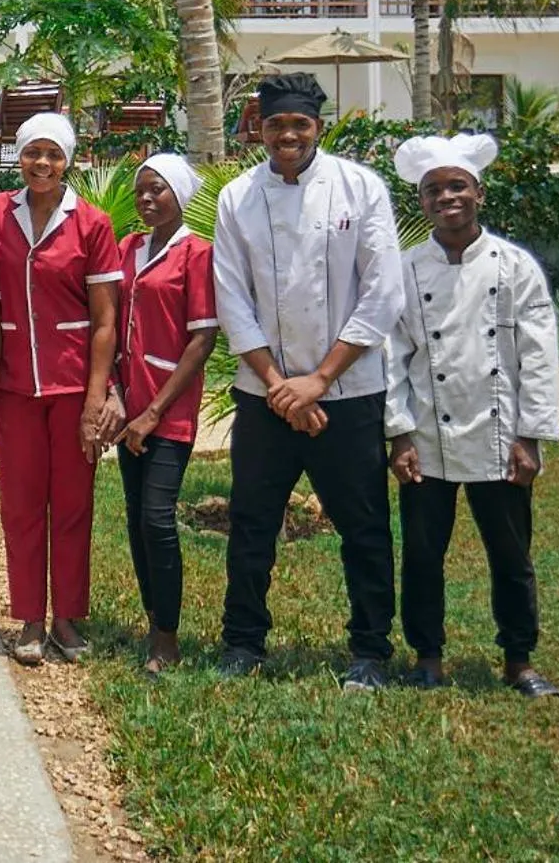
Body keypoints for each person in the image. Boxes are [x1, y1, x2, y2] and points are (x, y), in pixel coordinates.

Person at [212, 72, 404, 690]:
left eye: (299, 124)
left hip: (347, 392)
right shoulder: (237, 197)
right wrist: (279, 385)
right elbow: (232, 297)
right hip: (264, 392)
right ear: (258, 129)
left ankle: (370, 650)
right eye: (275, 125)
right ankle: (243, 641)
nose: (287, 135)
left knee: (365, 524)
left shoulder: (360, 188)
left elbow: (382, 293)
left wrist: (319, 380)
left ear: (319, 126)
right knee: (252, 522)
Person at [386, 134, 559, 698]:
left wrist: (531, 435)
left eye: (457, 186)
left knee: (511, 553)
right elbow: (391, 356)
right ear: (421, 203)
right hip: (427, 437)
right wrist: (398, 432)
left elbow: (537, 356)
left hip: (498, 434)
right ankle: (427, 657)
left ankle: (519, 660)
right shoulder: (406, 270)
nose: (447, 198)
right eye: (434, 190)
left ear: (479, 193)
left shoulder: (515, 266)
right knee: (421, 554)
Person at [0, 112, 122, 666]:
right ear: (19, 158)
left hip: (70, 385)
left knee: (71, 504)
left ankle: (66, 616)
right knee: (20, 503)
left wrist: (96, 397)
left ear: (69, 160)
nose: (42, 164)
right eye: (32, 154)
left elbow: (105, 320)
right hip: (16, 384)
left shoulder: (91, 223)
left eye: (53, 155)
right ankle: (28, 620)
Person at [115, 152, 219, 675]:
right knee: (135, 519)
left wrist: (153, 412)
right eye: (142, 191)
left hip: (166, 410)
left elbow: (202, 338)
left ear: (180, 195)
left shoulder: (196, 254)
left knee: (158, 519)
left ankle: (167, 636)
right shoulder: (127, 248)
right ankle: (150, 615)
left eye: (159, 189)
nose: (148, 199)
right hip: (127, 407)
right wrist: (117, 396)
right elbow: (110, 325)